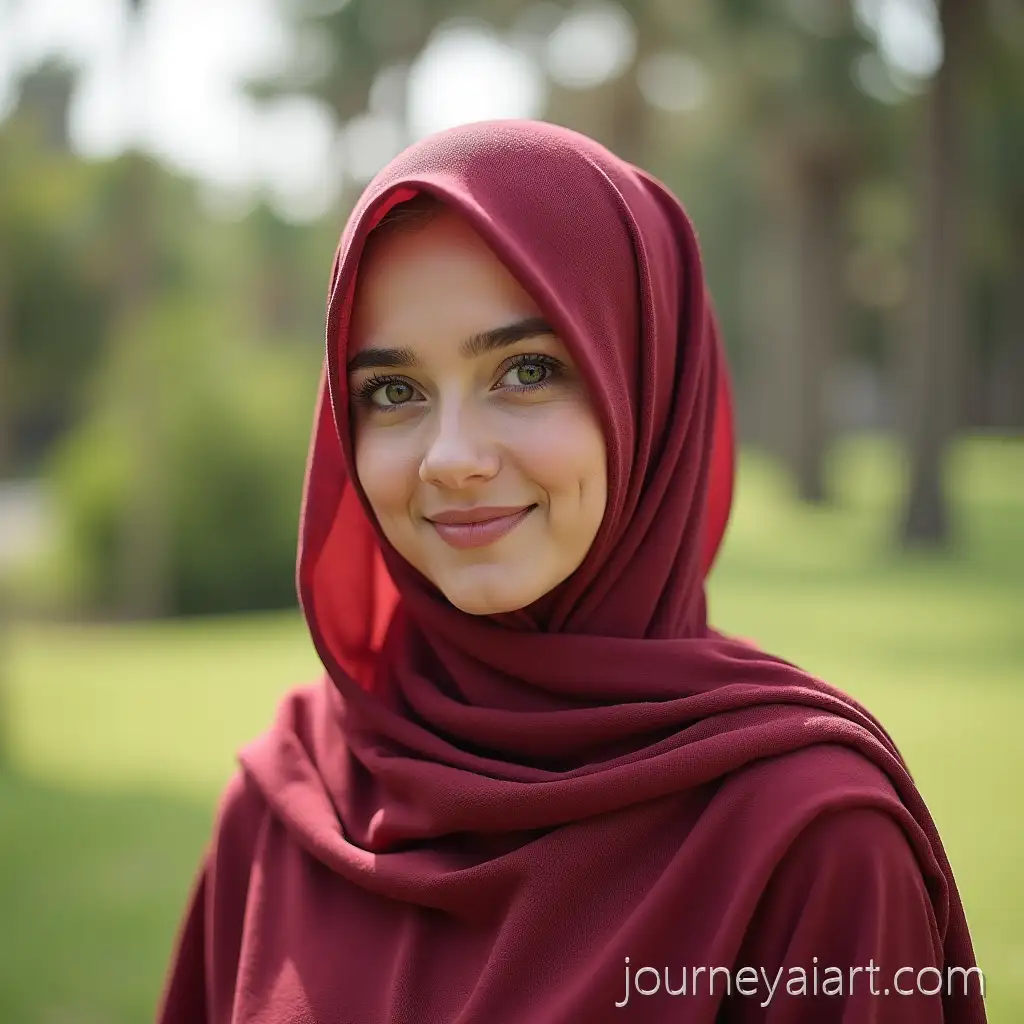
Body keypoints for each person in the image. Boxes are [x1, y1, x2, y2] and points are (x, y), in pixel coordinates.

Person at [156, 119, 986, 1023]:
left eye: (526, 370)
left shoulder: (811, 839)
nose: (452, 458)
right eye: (393, 391)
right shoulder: (288, 801)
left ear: (647, 388)